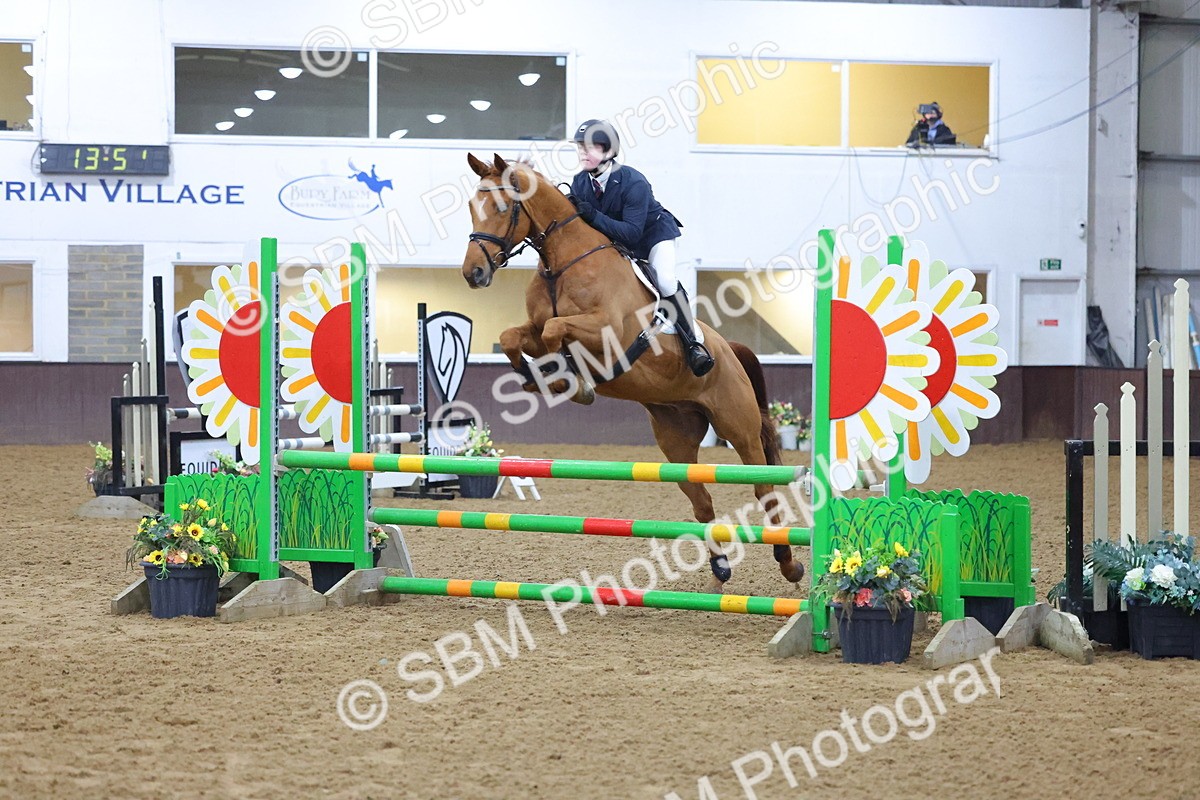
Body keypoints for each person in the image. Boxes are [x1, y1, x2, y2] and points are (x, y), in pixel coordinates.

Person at [569, 119, 714, 377]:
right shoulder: (580, 182)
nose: (583, 153)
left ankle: (693, 343)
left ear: (609, 152)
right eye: (580, 148)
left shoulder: (633, 182)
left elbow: (632, 232)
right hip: (618, 244)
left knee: (666, 280)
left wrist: (592, 216)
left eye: (590, 148)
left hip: (652, 237)